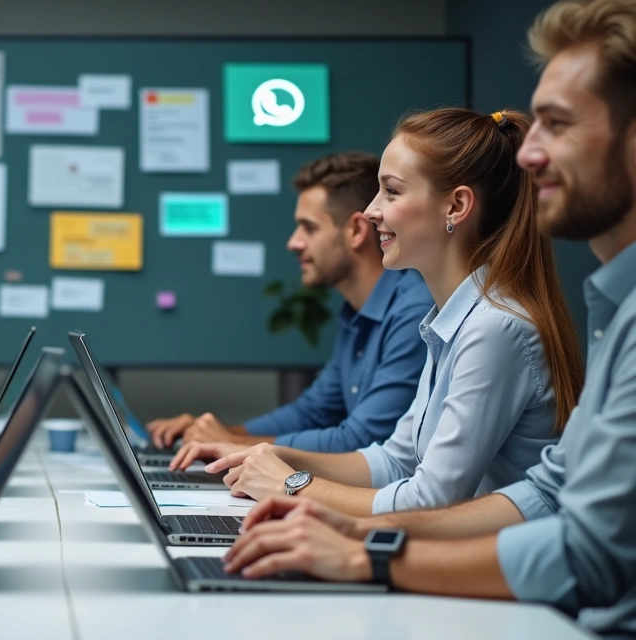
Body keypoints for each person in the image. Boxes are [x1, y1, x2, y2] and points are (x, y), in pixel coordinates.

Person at [226, 3, 636, 635]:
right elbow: (540, 491)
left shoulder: (497, 324)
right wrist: (339, 513)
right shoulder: (489, 315)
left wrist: (340, 523)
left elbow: (558, 540)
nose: (531, 153)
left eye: (557, 125)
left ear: (455, 208)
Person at [175, 107, 585, 516]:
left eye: (391, 191)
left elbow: (429, 501)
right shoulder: (450, 320)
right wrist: (273, 455)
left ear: (456, 206)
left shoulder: (494, 328)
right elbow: (395, 461)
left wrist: (289, 484)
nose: (372, 211)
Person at [148, 152, 432, 453]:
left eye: (309, 228)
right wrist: (213, 433)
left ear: (356, 231)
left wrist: (232, 442)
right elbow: (311, 412)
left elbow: (362, 440)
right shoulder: (357, 315)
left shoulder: (413, 312)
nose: (293, 242)